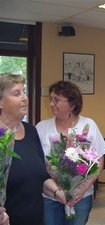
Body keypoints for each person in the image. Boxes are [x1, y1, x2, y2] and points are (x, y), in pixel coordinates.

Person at [36, 81, 105, 225]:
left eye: (56, 100)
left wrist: (82, 190)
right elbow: (38, 164)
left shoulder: (88, 126)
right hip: (50, 197)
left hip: (80, 198)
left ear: (72, 104)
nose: (51, 103)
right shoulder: (41, 127)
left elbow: (99, 161)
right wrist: (57, 190)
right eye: (50, 99)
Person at [0, 73, 66, 225]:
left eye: (24, 91)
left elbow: (40, 176)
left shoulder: (31, 131)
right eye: (17, 94)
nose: (24, 98)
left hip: (35, 217)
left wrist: (57, 192)